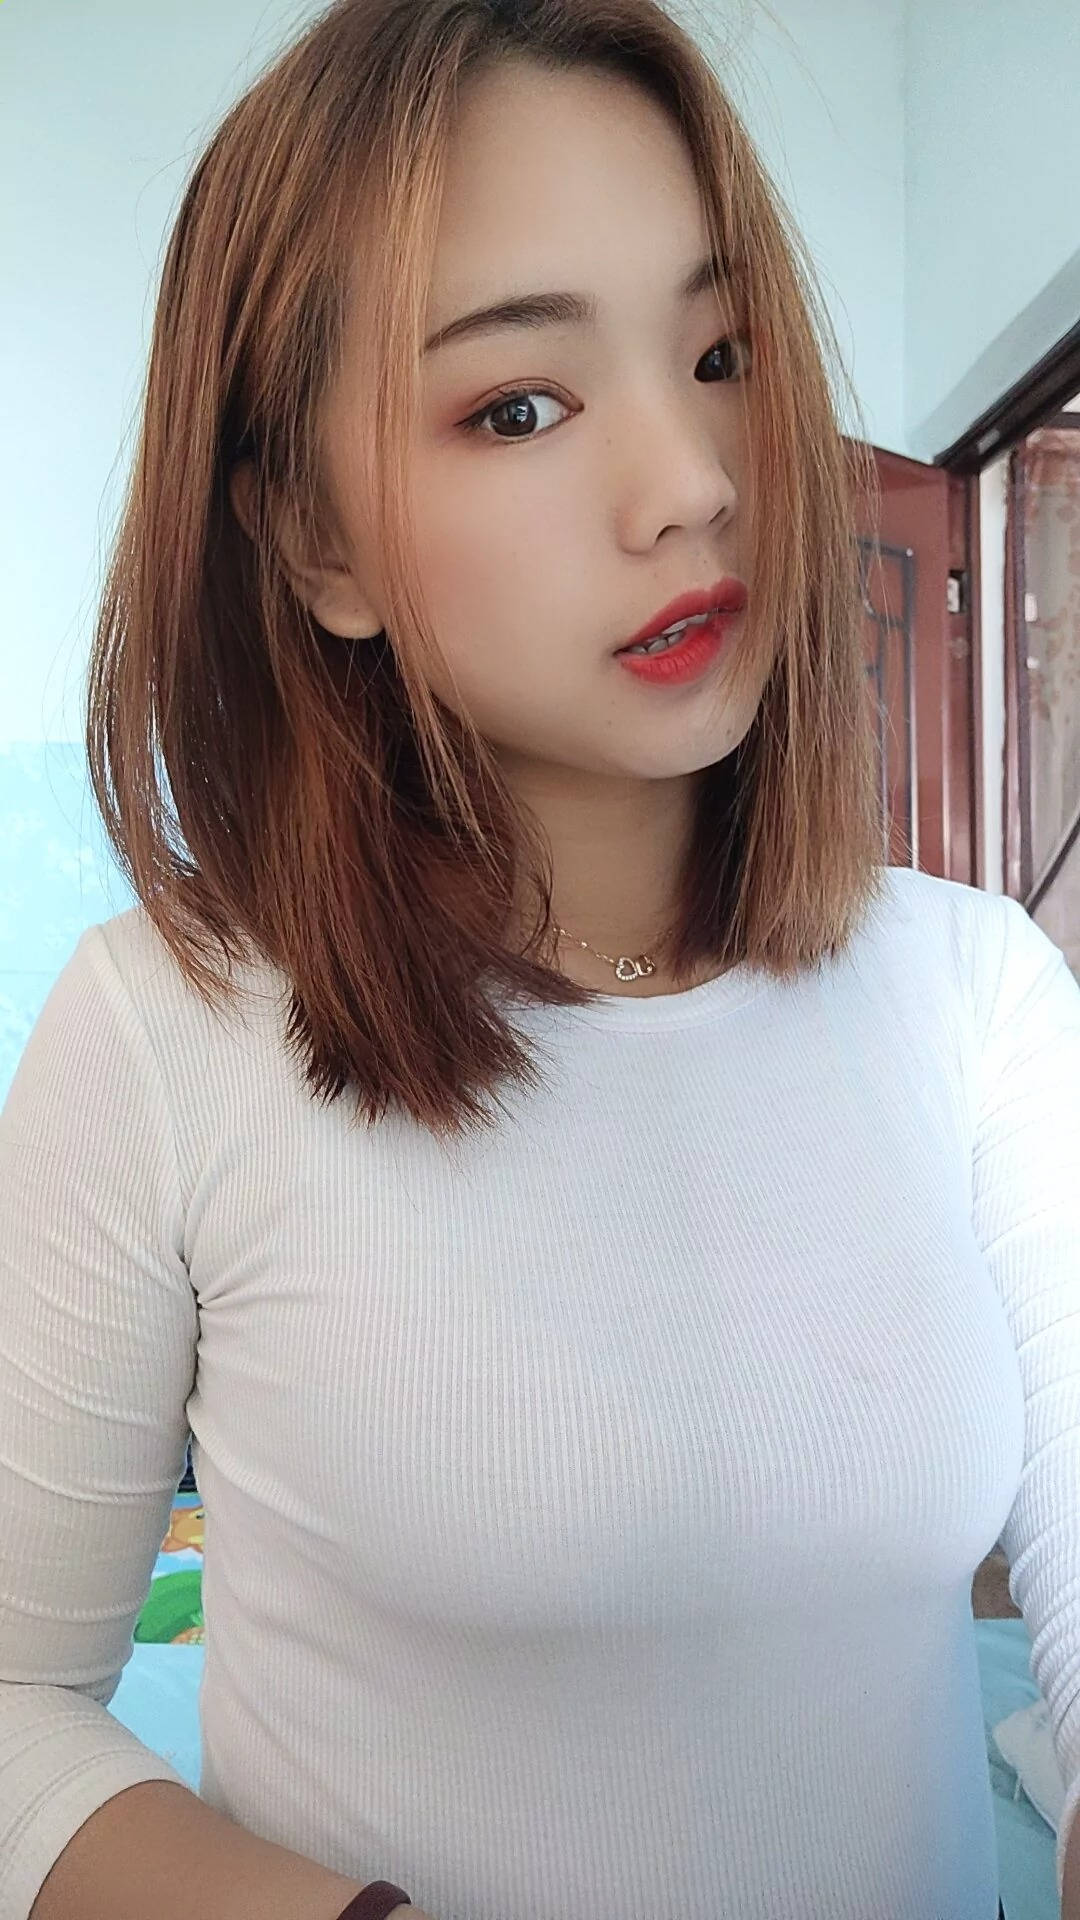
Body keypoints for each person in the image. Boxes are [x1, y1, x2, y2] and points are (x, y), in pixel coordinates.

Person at [0, 2, 1076, 1917]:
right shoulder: (162, 1029)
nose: (694, 481)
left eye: (723, 355)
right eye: (518, 405)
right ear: (313, 542)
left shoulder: (975, 992)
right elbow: (13, 1704)